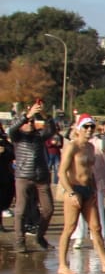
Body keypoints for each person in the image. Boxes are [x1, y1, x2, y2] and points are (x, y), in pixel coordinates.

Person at [56, 114, 105, 274]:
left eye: (91, 127)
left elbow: (91, 172)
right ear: (78, 128)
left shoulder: (90, 147)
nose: (89, 130)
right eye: (86, 127)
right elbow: (61, 172)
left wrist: (95, 191)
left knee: (96, 227)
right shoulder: (72, 146)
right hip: (74, 188)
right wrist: (70, 192)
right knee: (70, 227)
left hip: (88, 189)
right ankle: (62, 264)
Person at [9, 98, 57, 252]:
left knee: (48, 209)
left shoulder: (38, 136)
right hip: (23, 176)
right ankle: (19, 241)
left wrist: (44, 114)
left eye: (32, 121)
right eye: (28, 122)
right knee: (20, 210)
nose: (30, 123)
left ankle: (39, 236)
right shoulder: (18, 136)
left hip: (41, 177)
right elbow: (12, 129)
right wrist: (27, 115)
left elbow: (52, 129)